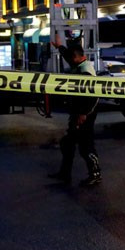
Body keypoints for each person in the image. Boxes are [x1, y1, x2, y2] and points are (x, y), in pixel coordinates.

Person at [47, 35, 102, 186]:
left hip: (85, 114)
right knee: (68, 144)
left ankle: (95, 174)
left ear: (77, 57)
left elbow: (93, 96)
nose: (69, 61)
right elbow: (68, 55)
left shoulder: (86, 71)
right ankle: (65, 173)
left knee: (86, 146)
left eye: (72, 59)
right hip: (78, 112)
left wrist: (84, 114)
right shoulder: (78, 62)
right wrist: (59, 47)